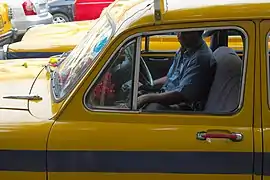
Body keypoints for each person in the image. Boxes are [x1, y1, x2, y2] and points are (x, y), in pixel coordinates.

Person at [138, 30, 216, 111]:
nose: (180, 36)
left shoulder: (200, 58)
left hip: (184, 106)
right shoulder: (183, 50)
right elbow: (171, 78)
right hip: (171, 96)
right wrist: (149, 85)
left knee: (151, 109)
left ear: (199, 32)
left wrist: (147, 98)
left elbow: (181, 95)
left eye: (186, 32)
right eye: (178, 31)